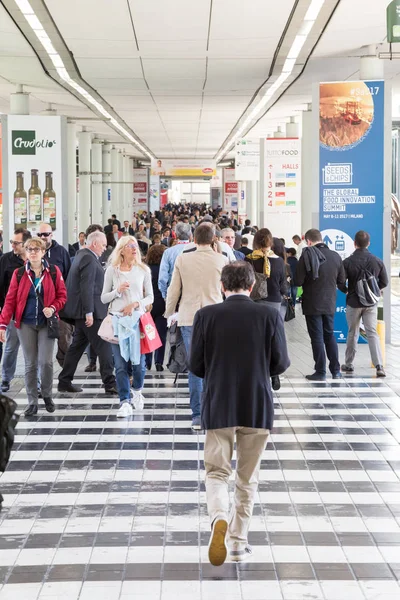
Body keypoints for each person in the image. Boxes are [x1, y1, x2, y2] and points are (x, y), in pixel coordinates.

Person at [190, 262, 290, 566]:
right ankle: (237, 542)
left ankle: (218, 516)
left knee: (217, 472)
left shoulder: (206, 315)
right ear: (251, 286)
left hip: (219, 402)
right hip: (256, 404)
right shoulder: (269, 315)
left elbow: (195, 365)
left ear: (223, 286)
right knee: (248, 477)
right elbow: (282, 362)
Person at [165, 224, 229, 430]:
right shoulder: (221, 259)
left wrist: (168, 313)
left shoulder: (183, 259)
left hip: (189, 317)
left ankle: (197, 416)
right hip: (216, 317)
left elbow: (173, 290)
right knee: (216, 365)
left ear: (193, 238)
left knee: (195, 366)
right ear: (213, 239)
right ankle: (216, 412)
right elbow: (226, 290)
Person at [0, 237, 67, 416]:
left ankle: (46, 395)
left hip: (46, 323)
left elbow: (62, 295)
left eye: (37, 249)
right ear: (26, 253)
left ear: (43, 252)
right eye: (29, 249)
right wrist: (3, 324)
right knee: (30, 364)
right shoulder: (19, 273)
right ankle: (32, 402)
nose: (33, 252)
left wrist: (52, 307)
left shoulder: (53, 271)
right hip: (25, 324)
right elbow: (10, 300)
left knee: (45, 362)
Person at [58, 231, 117, 395]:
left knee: (76, 347)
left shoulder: (82, 255)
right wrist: (89, 312)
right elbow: (87, 287)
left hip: (83, 312)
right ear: (95, 243)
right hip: (90, 312)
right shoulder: (88, 258)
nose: (104, 249)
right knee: (104, 346)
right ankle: (110, 383)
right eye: (103, 245)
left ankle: (64, 380)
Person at [101, 236, 153, 417]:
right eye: (131, 246)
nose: (134, 249)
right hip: (117, 321)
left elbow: (150, 297)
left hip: (137, 321)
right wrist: (117, 291)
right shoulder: (111, 271)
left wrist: (135, 304)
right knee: (120, 364)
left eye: (136, 246)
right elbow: (103, 298)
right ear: (121, 250)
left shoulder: (143, 270)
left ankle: (137, 390)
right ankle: (124, 401)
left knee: (139, 364)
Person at [295, 228, 346, 381]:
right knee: (329, 334)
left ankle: (320, 371)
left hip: (312, 303)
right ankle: (336, 370)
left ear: (308, 241)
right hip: (330, 302)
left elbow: (298, 281)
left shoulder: (307, 255)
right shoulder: (336, 256)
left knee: (317, 337)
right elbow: (341, 281)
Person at [338, 230, 388, 377]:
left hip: (353, 302)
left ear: (354, 244)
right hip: (371, 304)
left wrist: (346, 290)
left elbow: (340, 281)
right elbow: (384, 281)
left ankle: (349, 364)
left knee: (352, 332)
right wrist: (374, 290)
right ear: (369, 243)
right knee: (372, 333)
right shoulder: (377, 261)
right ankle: (379, 366)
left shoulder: (347, 262)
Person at [0, 228, 32, 392]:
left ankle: (36, 382)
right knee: (11, 347)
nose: (12, 245)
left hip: (33, 313)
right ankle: (6, 378)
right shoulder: (6, 260)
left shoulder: (35, 260)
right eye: (12, 242)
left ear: (25, 243)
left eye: (16, 243)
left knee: (33, 350)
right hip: (13, 313)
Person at [38, 223, 72, 368]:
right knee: (40, 342)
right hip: (39, 305)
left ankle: (65, 371)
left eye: (45, 234)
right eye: (39, 235)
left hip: (60, 305)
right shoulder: (34, 252)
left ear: (52, 235)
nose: (42, 237)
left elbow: (69, 276)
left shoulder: (61, 252)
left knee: (64, 338)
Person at [144, 245, 168, 372]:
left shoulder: (145, 269)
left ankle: (147, 361)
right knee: (161, 334)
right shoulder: (165, 269)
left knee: (148, 334)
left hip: (148, 305)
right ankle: (159, 362)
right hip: (162, 304)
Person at [158, 222, 192, 299]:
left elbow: (163, 277)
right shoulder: (196, 250)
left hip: (173, 293)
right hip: (193, 293)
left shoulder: (168, 252)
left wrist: (165, 295)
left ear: (175, 235)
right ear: (190, 236)